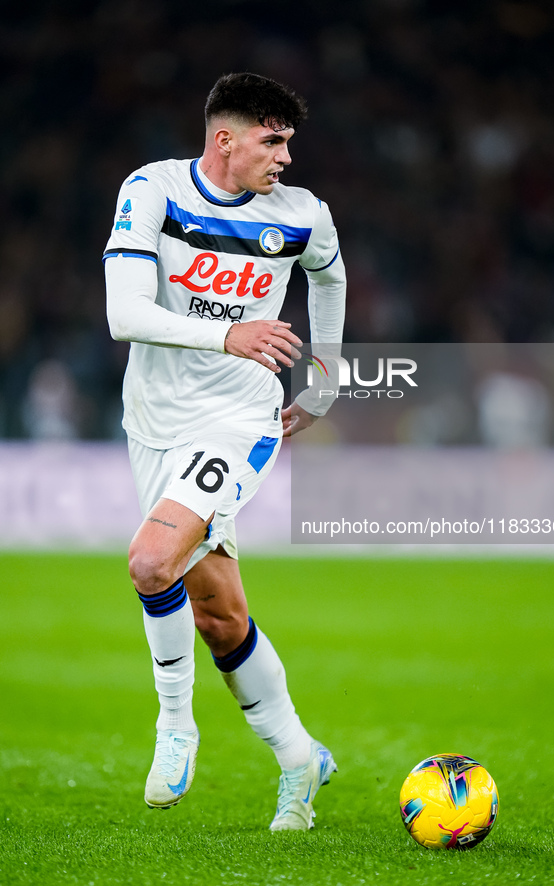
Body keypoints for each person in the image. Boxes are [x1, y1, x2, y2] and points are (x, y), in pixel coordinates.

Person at [103, 72, 346, 831]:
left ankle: (175, 725)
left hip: (239, 419)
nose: (285, 157)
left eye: (288, 142)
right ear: (225, 139)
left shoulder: (303, 215)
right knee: (219, 616)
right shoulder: (154, 190)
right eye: (273, 141)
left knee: (150, 561)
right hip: (153, 419)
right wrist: (229, 331)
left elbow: (330, 277)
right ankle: (300, 758)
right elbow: (123, 314)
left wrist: (325, 382)